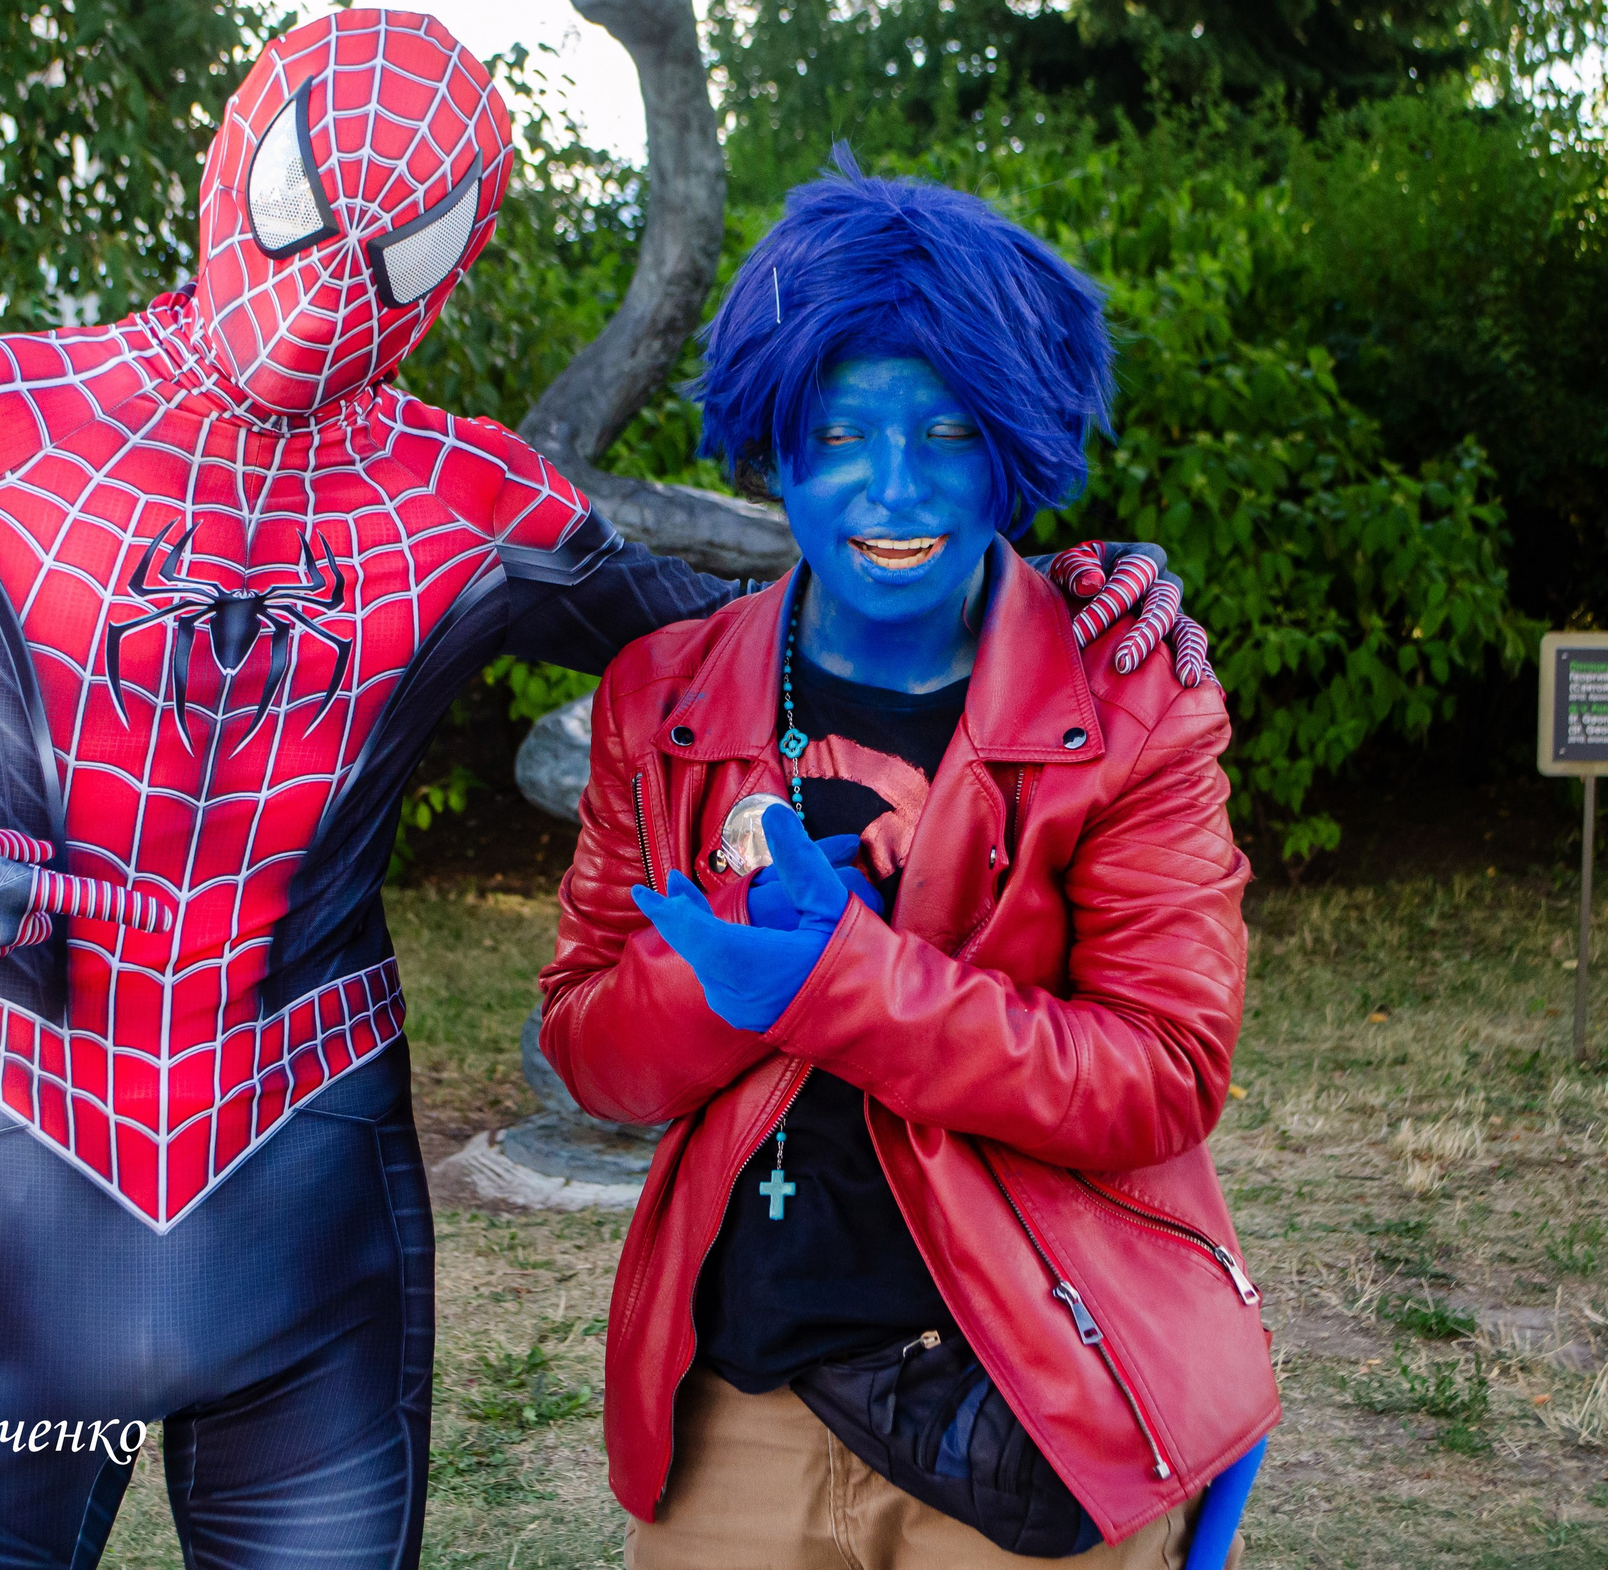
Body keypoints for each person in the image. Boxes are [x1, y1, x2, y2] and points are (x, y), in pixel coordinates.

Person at [0, 14, 1194, 1569]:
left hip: (308, 1192)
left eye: (402, 241)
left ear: (453, 267)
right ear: (229, 165)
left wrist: (1055, 588)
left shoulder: (468, 497)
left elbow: (791, 632)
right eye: (304, 204)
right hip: (16, 1179)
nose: (338, 273)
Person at [539, 155, 1279, 1570]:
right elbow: (588, 1053)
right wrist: (718, 983)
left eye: (946, 434)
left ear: (1014, 446)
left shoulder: (1128, 697)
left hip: (1028, 1403)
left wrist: (839, 981)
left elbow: (1165, 1071)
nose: (892, 487)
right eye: (838, 435)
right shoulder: (666, 696)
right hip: (734, 1418)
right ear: (776, 449)